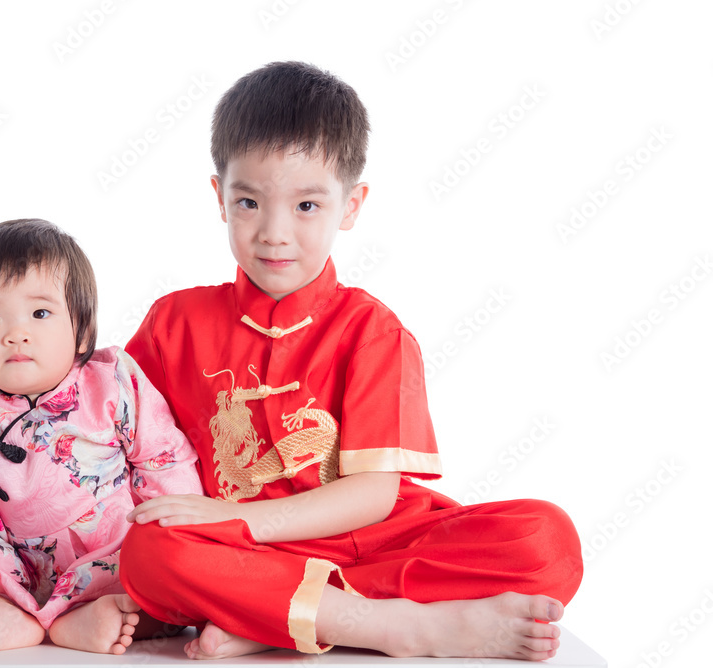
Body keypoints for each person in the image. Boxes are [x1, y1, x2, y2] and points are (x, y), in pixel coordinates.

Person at [116, 61, 584, 661]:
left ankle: (278, 616)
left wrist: (234, 522)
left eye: (307, 205)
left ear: (352, 205)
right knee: (150, 553)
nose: (275, 233)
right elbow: (105, 431)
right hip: (244, 557)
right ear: (220, 197)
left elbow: (371, 496)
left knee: (546, 541)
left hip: (368, 541)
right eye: (250, 202)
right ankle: (399, 626)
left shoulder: (371, 330)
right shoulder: (172, 324)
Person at [0, 218, 202, 655]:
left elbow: (163, 457)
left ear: (82, 329)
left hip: (107, 550)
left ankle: (98, 617)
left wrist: (174, 528)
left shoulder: (113, 382)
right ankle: (5, 617)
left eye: (40, 313)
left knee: (175, 571)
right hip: (4, 557)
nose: (15, 333)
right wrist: (2, 582)